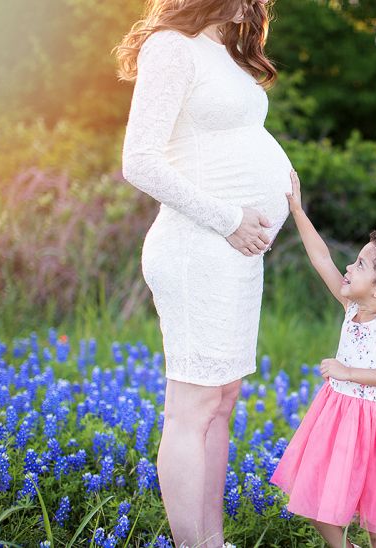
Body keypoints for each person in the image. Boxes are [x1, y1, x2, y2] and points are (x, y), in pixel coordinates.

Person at [114, 0, 287, 546]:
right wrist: (230, 217)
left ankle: (211, 539)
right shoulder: (171, 47)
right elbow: (139, 160)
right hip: (198, 248)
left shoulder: (225, 50)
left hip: (235, 255)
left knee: (222, 399)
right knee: (193, 406)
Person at [269, 171, 376, 548]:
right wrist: (297, 210)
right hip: (339, 416)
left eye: (360, 265)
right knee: (317, 505)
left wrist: (348, 371)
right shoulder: (352, 305)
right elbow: (321, 258)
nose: (349, 268)